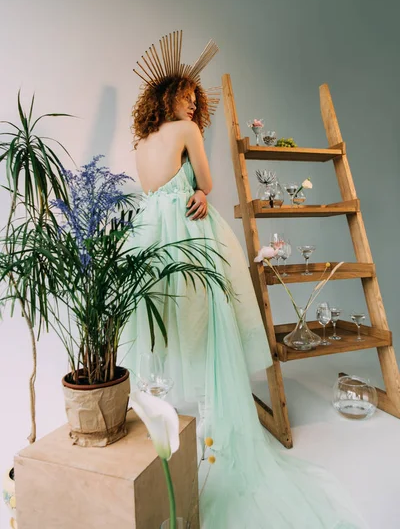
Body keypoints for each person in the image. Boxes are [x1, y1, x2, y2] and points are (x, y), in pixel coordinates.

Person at [125, 31, 365, 529]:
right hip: (187, 231)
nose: (193, 108)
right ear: (168, 98)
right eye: (187, 99)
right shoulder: (185, 132)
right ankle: (215, 430)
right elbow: (206, 184)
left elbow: (153, 190)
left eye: (195, 102)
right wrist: (199, 190)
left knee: (159, 325)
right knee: (213, 319)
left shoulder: (142, 141)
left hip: (148, 233)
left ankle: (158, 438)